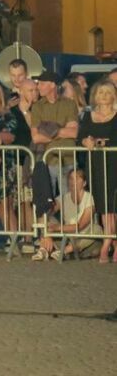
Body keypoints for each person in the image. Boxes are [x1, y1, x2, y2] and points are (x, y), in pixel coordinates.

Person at [77, 80, 117, 263]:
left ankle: (107, 243)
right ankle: (114, 243)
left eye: (108, 92)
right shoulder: (88, 116)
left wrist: (104, 143)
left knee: (112, 205)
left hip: (113, 162)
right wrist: (87, 142)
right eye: (101, 92)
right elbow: (80, 138)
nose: (104, 96)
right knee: (103, 205)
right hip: (95, 164)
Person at [35, 168, 99, 261]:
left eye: (77, 178)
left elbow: (80, 226)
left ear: (84, 183)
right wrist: (47, 235)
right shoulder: (63, 197)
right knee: (46, 219)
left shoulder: (88, 197)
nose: (73, 182)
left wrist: (57, 228)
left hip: (83, 236)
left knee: (97, 229)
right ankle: (45, 249)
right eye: (71, 179)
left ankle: (65, 250)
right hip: (67, 235)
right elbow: (44, 215)